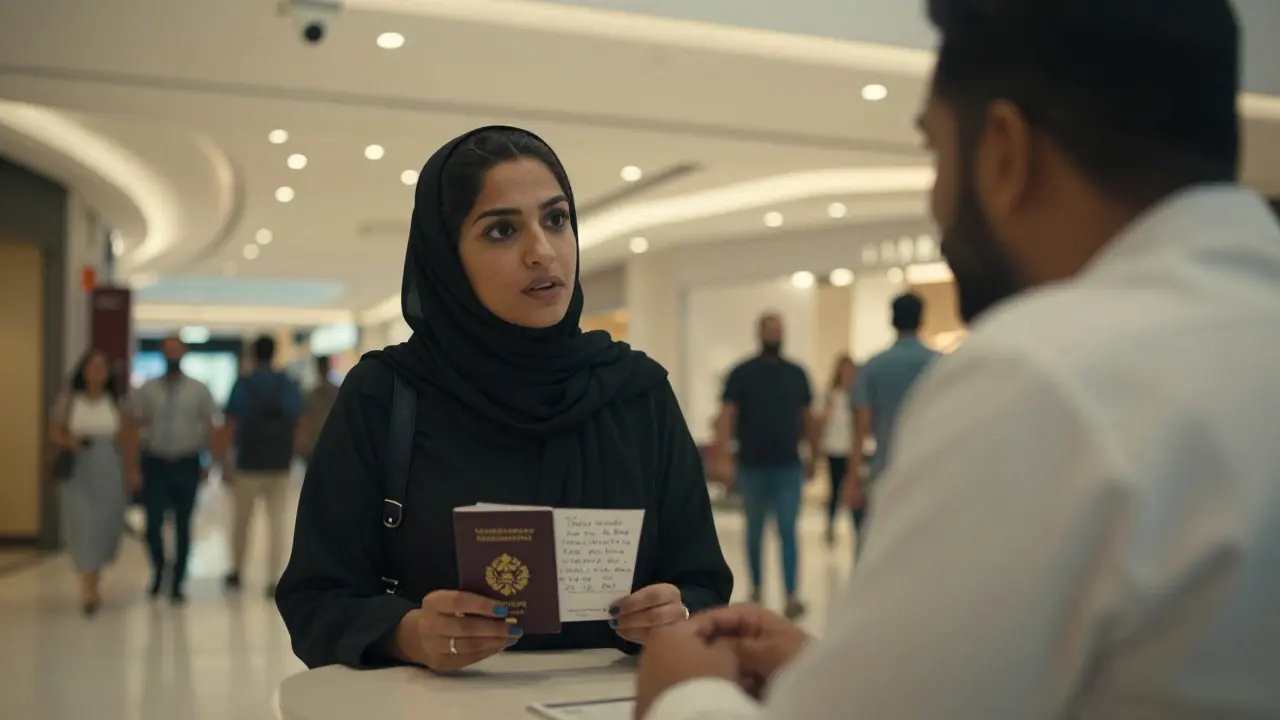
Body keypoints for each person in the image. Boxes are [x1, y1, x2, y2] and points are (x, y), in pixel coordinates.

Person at [634, 0, 1280, 717]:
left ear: (1005, 151)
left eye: (937, 153)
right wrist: (841, 674)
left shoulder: (1045, 377)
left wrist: (683, 689)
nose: (938, 198)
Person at [275, 126, 733, 672]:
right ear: (448, 259)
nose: (542, 252)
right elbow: (316, 598)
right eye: (501, 231)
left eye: (556, 219)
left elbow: (702, 580)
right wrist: (407, 633)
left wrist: (675, 614)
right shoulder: (387, 394)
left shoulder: (635, 392)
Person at [711, 314, 817, 619]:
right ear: (759, 334)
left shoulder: (796, 373)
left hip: (788, 465)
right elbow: (727, 416)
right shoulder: (742, 373)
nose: (774, 335)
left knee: (787, 529)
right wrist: (723, 456)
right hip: (752, 465)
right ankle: (757, 588)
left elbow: (808, 417)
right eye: (769, 330)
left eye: (778, 330)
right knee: (754, 531)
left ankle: (791, 594)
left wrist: (813, 453)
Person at [48, 348, 140, 615]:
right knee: (84, 525)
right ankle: (87, 589)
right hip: (78, 470)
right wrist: (70, 442)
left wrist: (131, 470)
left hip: (108, 468)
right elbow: (54, 430)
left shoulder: (117, 402)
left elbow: (128, 439)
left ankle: (94, 580)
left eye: (102, 367)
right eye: (92, 366)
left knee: (104, 526)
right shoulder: (68, 400)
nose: (97, 372)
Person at [844, 293, 938, 540]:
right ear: (921, 320)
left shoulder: (872, 367)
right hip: (930, 468)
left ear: (892, 320)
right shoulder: (940, 364)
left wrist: (853, 478)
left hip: (885, 470)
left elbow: (861, 425)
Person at [131, 336, 218, 603]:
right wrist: (132, 466)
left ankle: (178, 581)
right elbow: (134, 427)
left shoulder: (199, 389)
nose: (172, 355)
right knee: (153, 525)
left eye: (176, 350)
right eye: (167, 350)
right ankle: (159, 569)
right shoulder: (147, 390)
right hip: (155, 463)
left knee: (183, 524)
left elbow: (211, 426)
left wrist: (211, 462)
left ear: (184, 353)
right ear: (161, 354)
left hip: (187, 462)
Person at [222, 335, 302, 597]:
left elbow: (231, 422)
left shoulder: (243, 384)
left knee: (241, 521)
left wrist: (225, 461)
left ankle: (236, 571)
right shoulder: (287, 384)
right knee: (277, 521)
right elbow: (297, 418)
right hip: (279, 462)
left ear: (253, 355)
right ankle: (273, 578)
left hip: (249, 460)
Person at [816, 355, 856, 546]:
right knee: (834, 488)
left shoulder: (857, 394)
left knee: (852, 488)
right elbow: (823, 420)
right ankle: (831, 526)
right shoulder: (832, 394)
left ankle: (856, 527)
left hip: (851, 449)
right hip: (834, 447)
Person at [295, 354, 339, 464]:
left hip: (314, 443)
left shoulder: (310, 395)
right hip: (332, 443)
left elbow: (304, 420)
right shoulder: (338, 392)